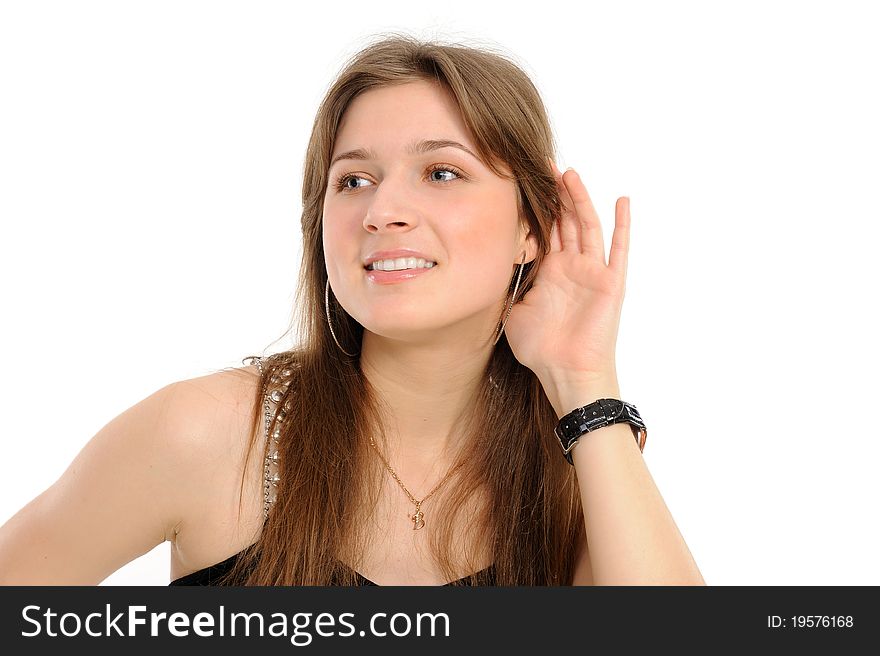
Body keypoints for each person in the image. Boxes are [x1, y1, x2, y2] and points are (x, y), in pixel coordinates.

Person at [0, 32, 705, 586]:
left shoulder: (582, 463)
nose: (383, 211)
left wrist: (584, 381)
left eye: (441, 172)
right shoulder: (207, 435)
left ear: (531, 227)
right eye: (354, 180)